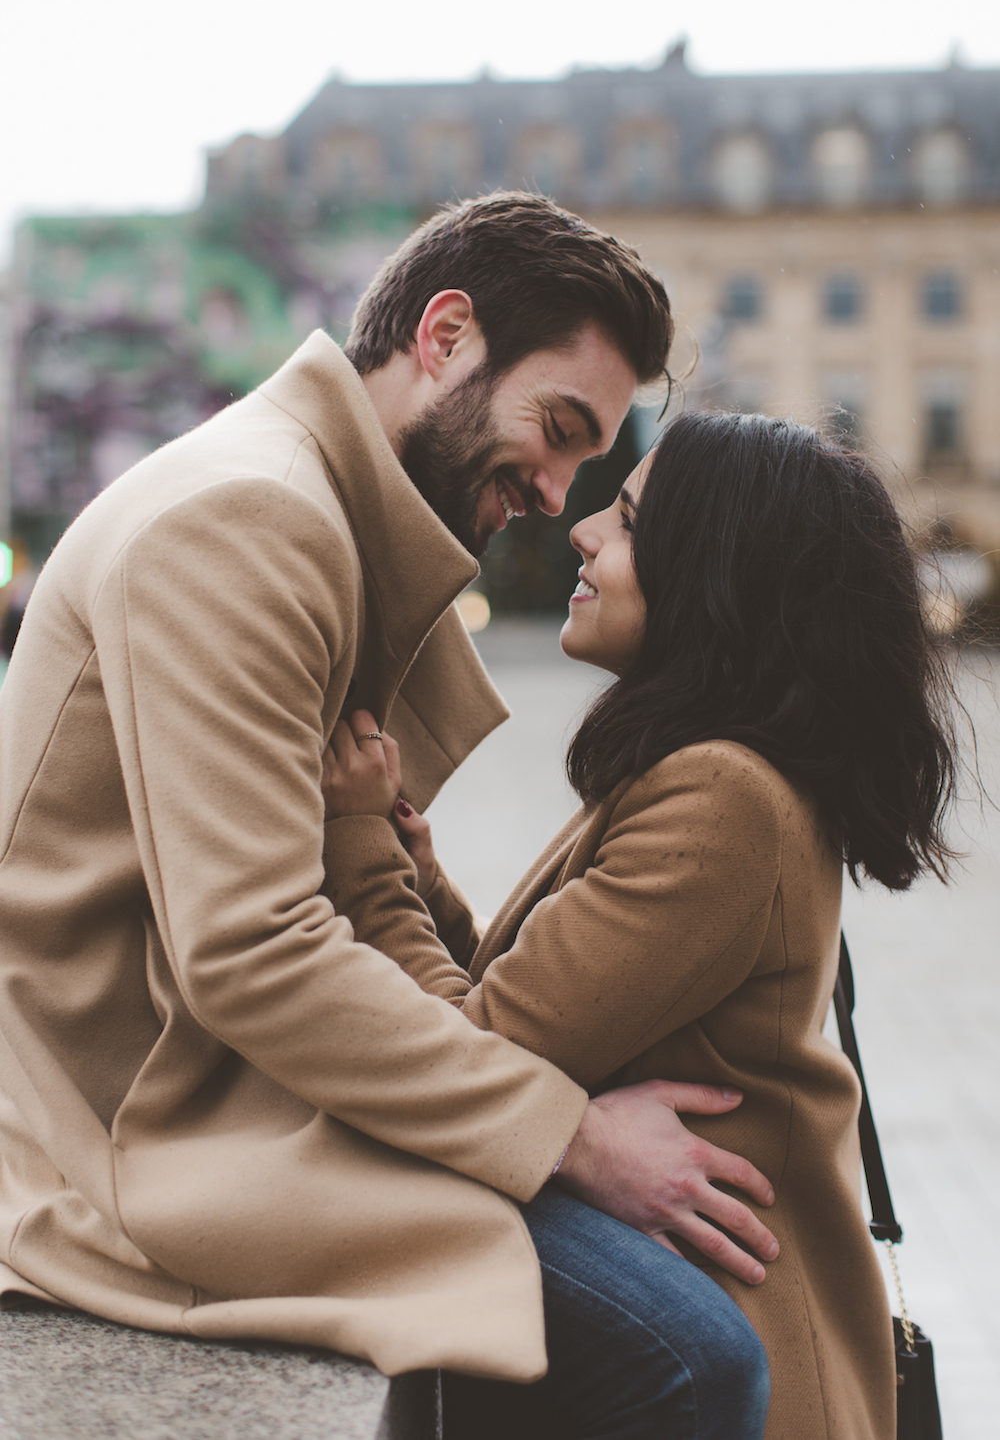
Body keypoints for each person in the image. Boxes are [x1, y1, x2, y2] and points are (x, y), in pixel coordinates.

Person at [0, 194, 774, 1439]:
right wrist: (571, 1136)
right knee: (689, 1355)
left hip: (219, 1088)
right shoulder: (249, 518)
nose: (557, 493)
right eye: (557, 431)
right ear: (445, 336)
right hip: (129, 1136)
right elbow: (254, 953)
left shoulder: (302, 502)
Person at [321, 410, 962, 1440]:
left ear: (715, 573)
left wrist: (358, 847)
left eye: (624, 521)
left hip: (711, 1376)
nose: (581, 531)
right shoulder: (716, 772)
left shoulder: (723, 798)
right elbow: (536, 1007)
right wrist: (418, 879)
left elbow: (474, 1052)